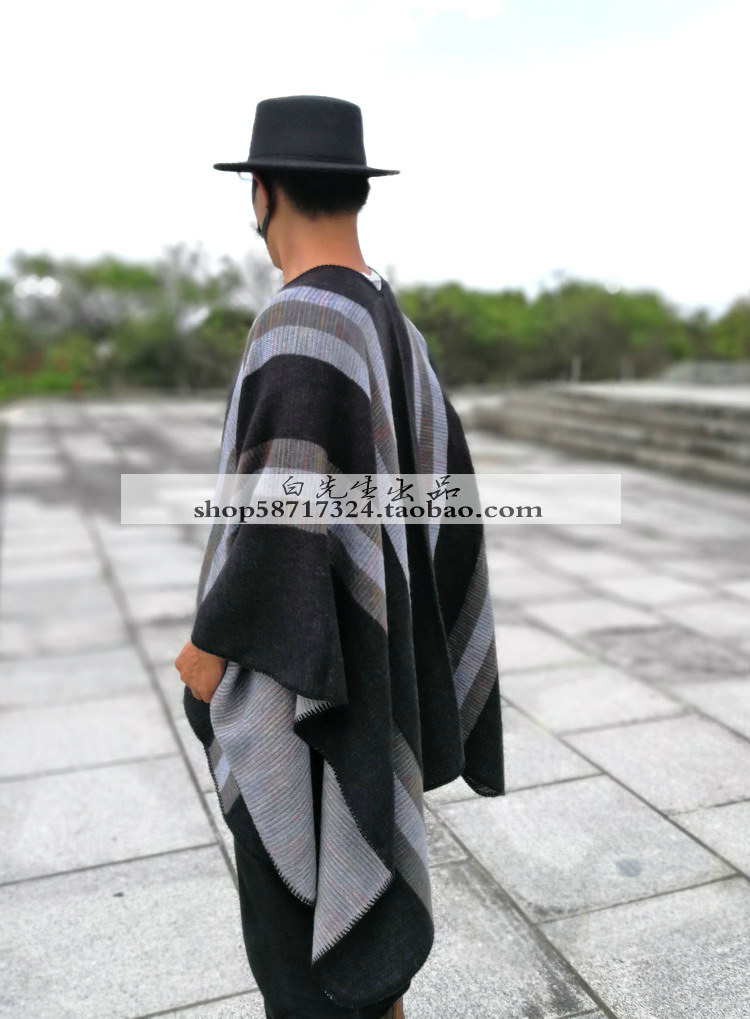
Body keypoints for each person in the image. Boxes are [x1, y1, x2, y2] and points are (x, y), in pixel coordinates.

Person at [175, 95, 505, 1019]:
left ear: (263, 192)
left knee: (304, 972)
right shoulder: (390, 320)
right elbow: (445, 501)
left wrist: (207, 656)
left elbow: (274, 531)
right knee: (364, 962)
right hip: (364, 671)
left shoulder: (298, 321)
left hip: (297, 691)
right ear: (358, 190)